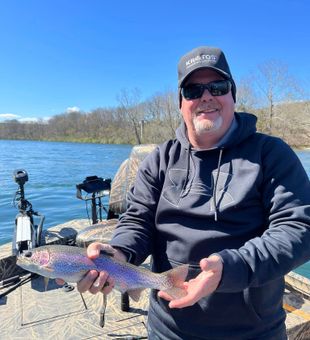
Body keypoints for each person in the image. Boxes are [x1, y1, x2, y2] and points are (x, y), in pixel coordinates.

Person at [76, 46, 310, 339]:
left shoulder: (270, 153)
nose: (206, 96)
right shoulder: (159, 159)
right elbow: (138, 221)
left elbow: (298, 228)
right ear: (181, 102)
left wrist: (229, 267)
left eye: (218, 86)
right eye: (193, 90)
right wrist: (119, 252)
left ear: (232, 95)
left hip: (252, 330)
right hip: (169, 327)